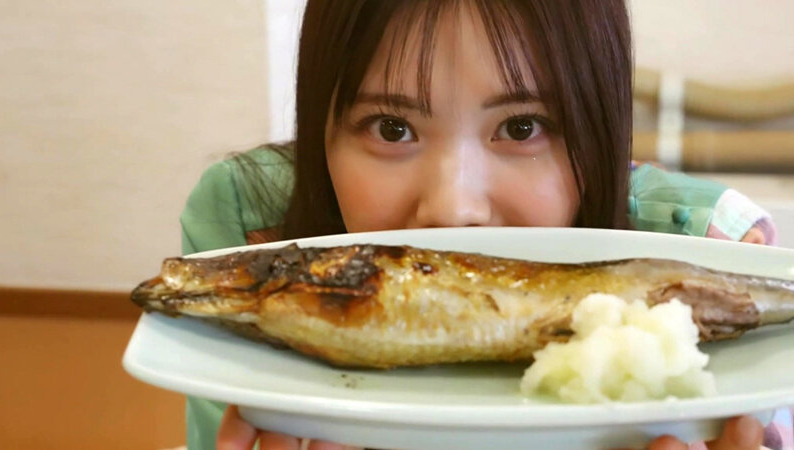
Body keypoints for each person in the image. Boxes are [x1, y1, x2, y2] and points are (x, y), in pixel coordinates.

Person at [179, 0, 790, 448]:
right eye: (392, 128)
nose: (454, 209)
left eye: (522, 127)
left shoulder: (711, 252)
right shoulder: (250, 231)